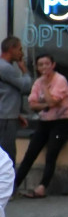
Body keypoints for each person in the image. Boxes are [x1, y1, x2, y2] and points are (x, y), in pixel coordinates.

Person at [13, 54, 68, 198]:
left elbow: (53, 102)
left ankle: (42, 187)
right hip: (44, 122)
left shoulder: (60, 80)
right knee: (30, 154)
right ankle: (13, 186)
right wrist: (46, 104)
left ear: (53, 65)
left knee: (51, 154)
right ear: (37, 67)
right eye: (41, 65)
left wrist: (46, 89)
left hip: (61, 122)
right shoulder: (38, 82)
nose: (44, 67)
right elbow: (32, 104)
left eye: (47, 64)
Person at [0, 36, 31, 165]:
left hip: (8, 114)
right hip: (6, 118)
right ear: (11, 49)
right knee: (8, 154)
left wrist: (17, 114)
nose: (21, 53)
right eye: (19, 49)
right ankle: (8, 184)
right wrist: (25, 71)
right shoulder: (5, 68)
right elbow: (25, 86)